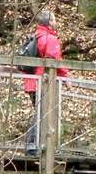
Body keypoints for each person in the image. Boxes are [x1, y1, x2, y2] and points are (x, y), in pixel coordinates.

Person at [22, 9, 66, 152]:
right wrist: (66, 77)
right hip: (43, 81)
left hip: (32, 81)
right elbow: (55, 60)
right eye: (54, 19)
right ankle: (32, 146)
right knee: (42, 113)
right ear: (49, 22)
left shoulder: (36, 36)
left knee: (41, 112)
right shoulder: (49, 38)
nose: (56, 22)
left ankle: (38, 145)